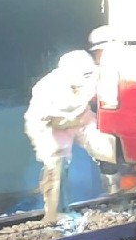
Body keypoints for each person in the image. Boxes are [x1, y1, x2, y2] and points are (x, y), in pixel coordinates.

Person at [24, 50, 118, 224]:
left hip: (81, 117)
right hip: (51, 124)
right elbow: (37, 121)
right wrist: (51, 150)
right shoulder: (46, 90)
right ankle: (54, 213)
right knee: (56, 164)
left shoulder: (95, 75)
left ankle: (116, 194)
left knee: (105, 147)